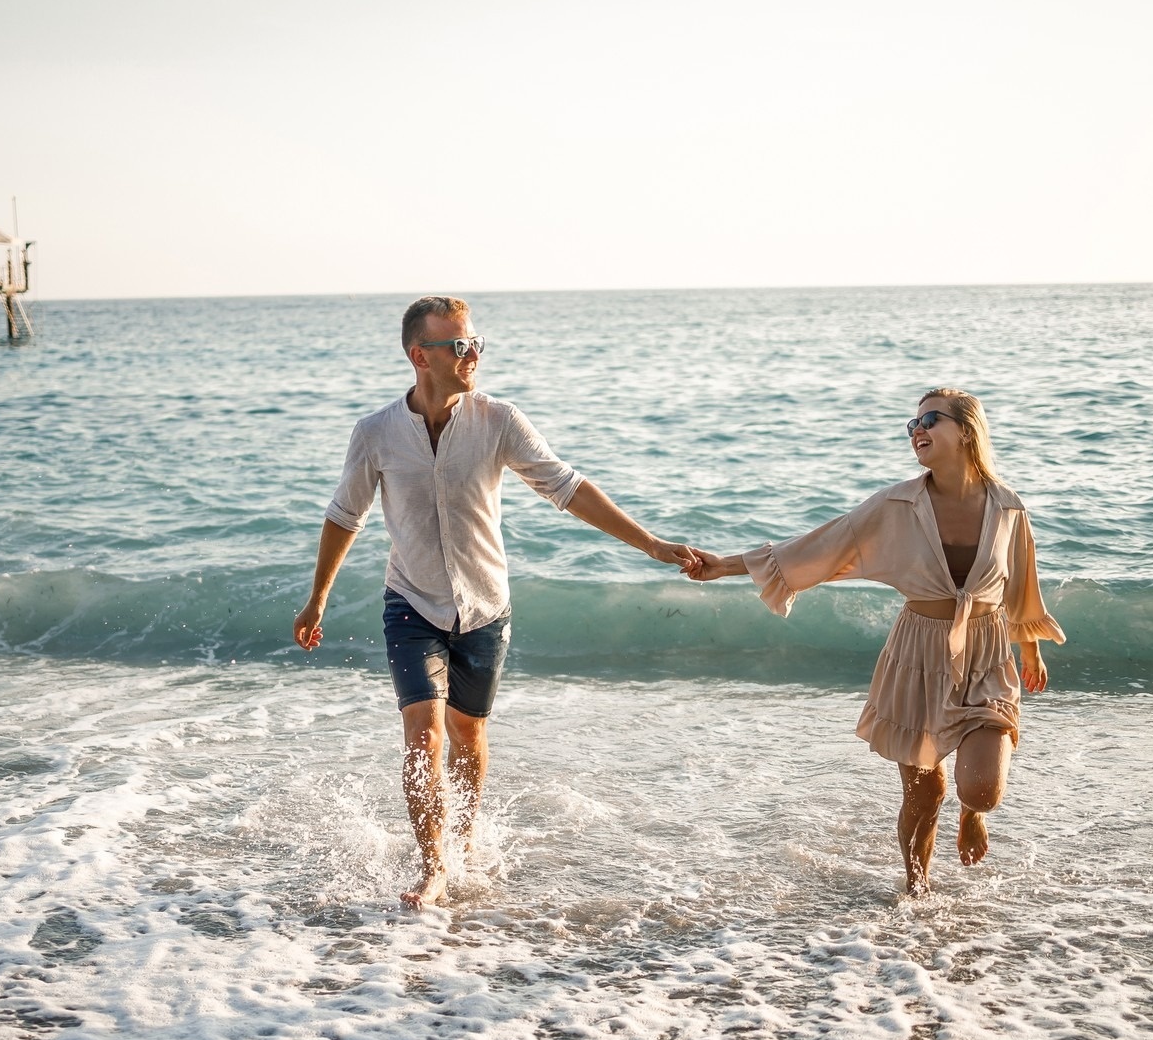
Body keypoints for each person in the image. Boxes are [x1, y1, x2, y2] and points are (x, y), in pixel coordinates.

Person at [296, 296, 702, 908]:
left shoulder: (499, 420)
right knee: (422, 734)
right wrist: (317, 600)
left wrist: (648, 543)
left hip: (486, 605)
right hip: (411, 604)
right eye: (458, 346)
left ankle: (461, 840)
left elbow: (568, 487)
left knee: (467, 732)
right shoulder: (375, 433)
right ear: (420, 356)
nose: (473, 354)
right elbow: (342, 517)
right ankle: (433, 865)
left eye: (475, 343)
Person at [682, 389, 1063, 896]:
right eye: (912, 424)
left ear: (967, 431)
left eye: (930, 419)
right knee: (924, 795)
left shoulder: (1008, 507)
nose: (917, 430)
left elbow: (1020, 584)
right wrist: (722, 566)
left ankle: (971, 816)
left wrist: (1030, 646)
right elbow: (815, 547)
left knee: (982, 789)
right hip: (917, 656)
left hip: (986, 654)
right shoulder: (895, 504)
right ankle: (916, 892)